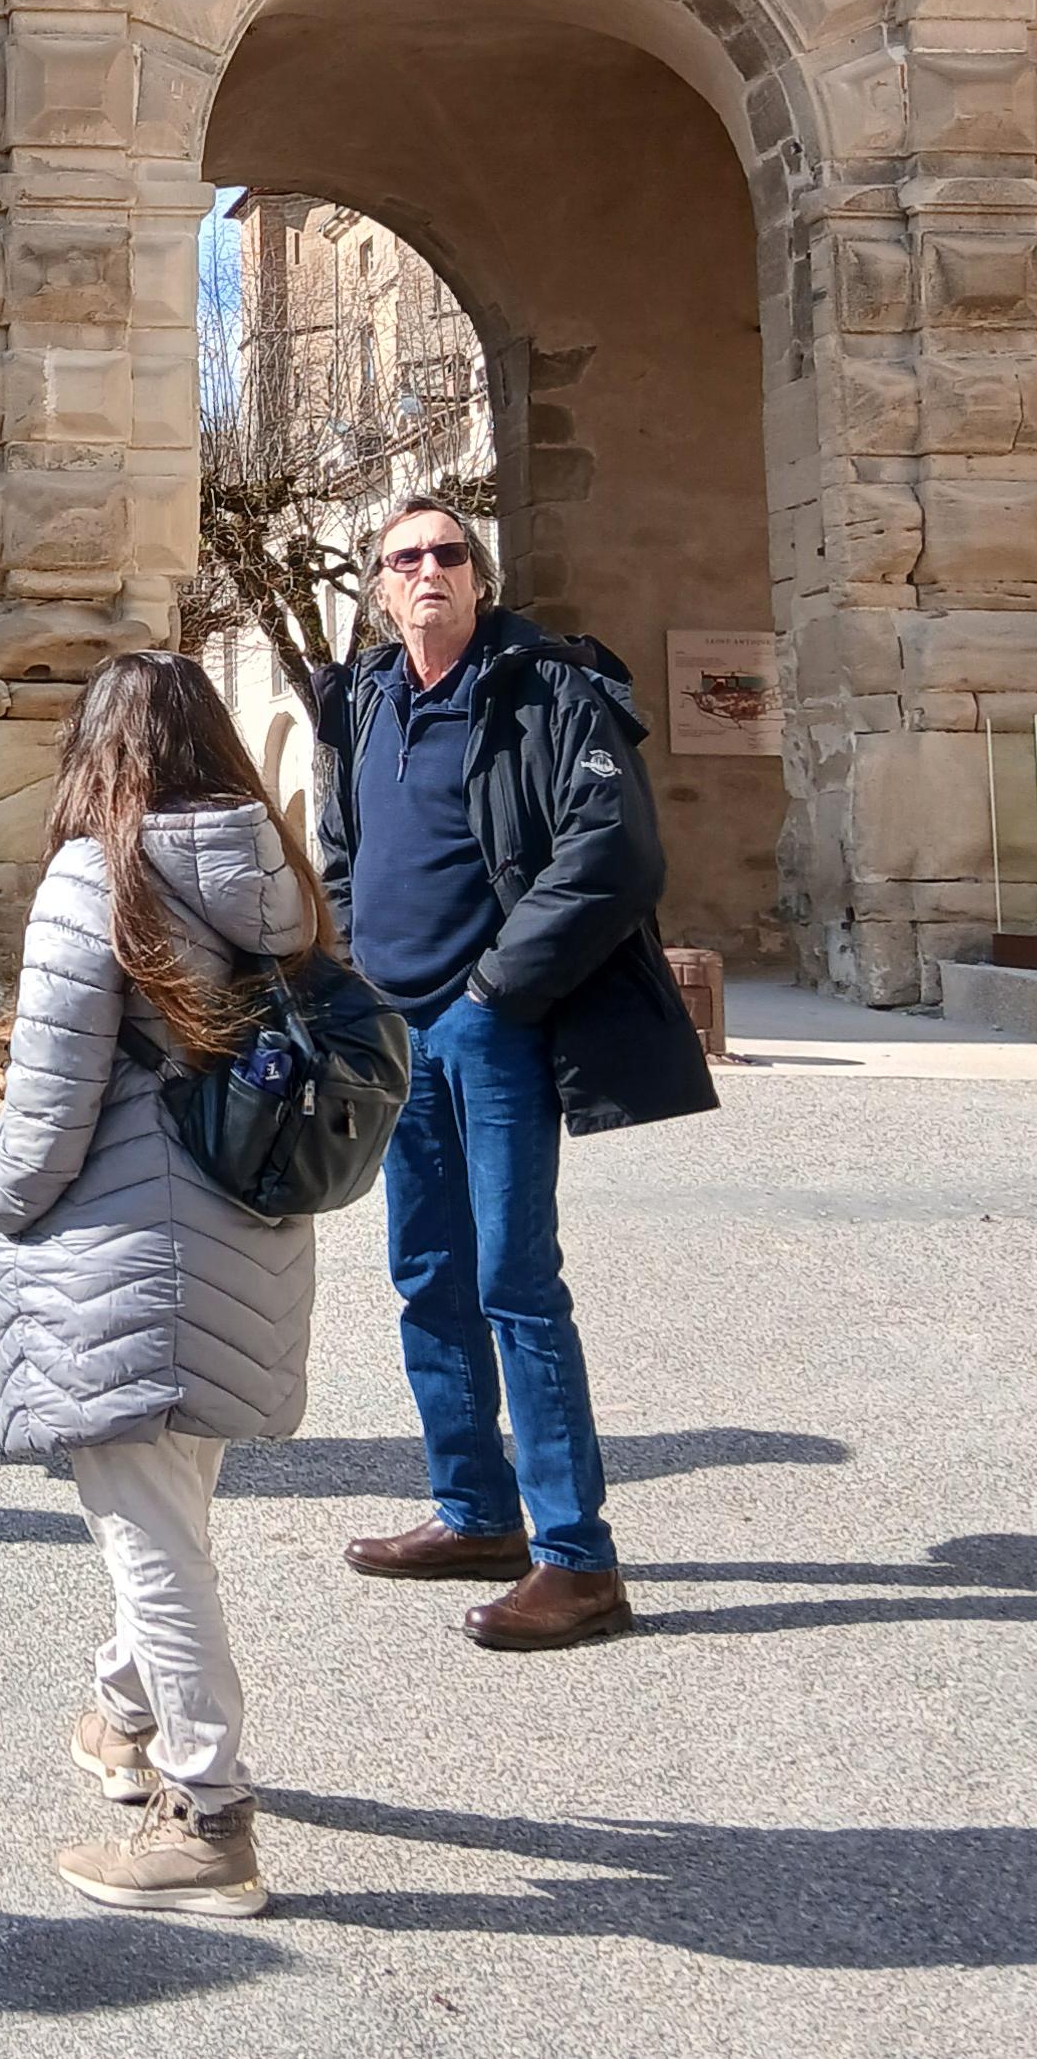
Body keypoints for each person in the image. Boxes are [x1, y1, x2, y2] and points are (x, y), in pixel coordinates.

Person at [308, 497, 713, 1653]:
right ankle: (475, 1511)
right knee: (425, 1274)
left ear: (478, 577)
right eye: (405, 559)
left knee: (515, 1284)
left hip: (492, 1028)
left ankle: (578, 1561)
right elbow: (340, 847)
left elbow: (614, 852)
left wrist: (496, 989)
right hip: (398, 1030)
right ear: (380, 589)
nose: (427, 570)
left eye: (448, 553)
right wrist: (358, 966)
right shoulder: (363, 699)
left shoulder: (548, 687)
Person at [0, 651, 328, 1920]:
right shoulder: (277, 880)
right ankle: (125, 1720)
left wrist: (0, 1207)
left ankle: (209, 1816)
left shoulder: (102, 878)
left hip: (130, 1242)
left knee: (151, 1538)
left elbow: (51, 1101)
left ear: (99, 749)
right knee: (170, 1509)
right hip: (247, 1233)